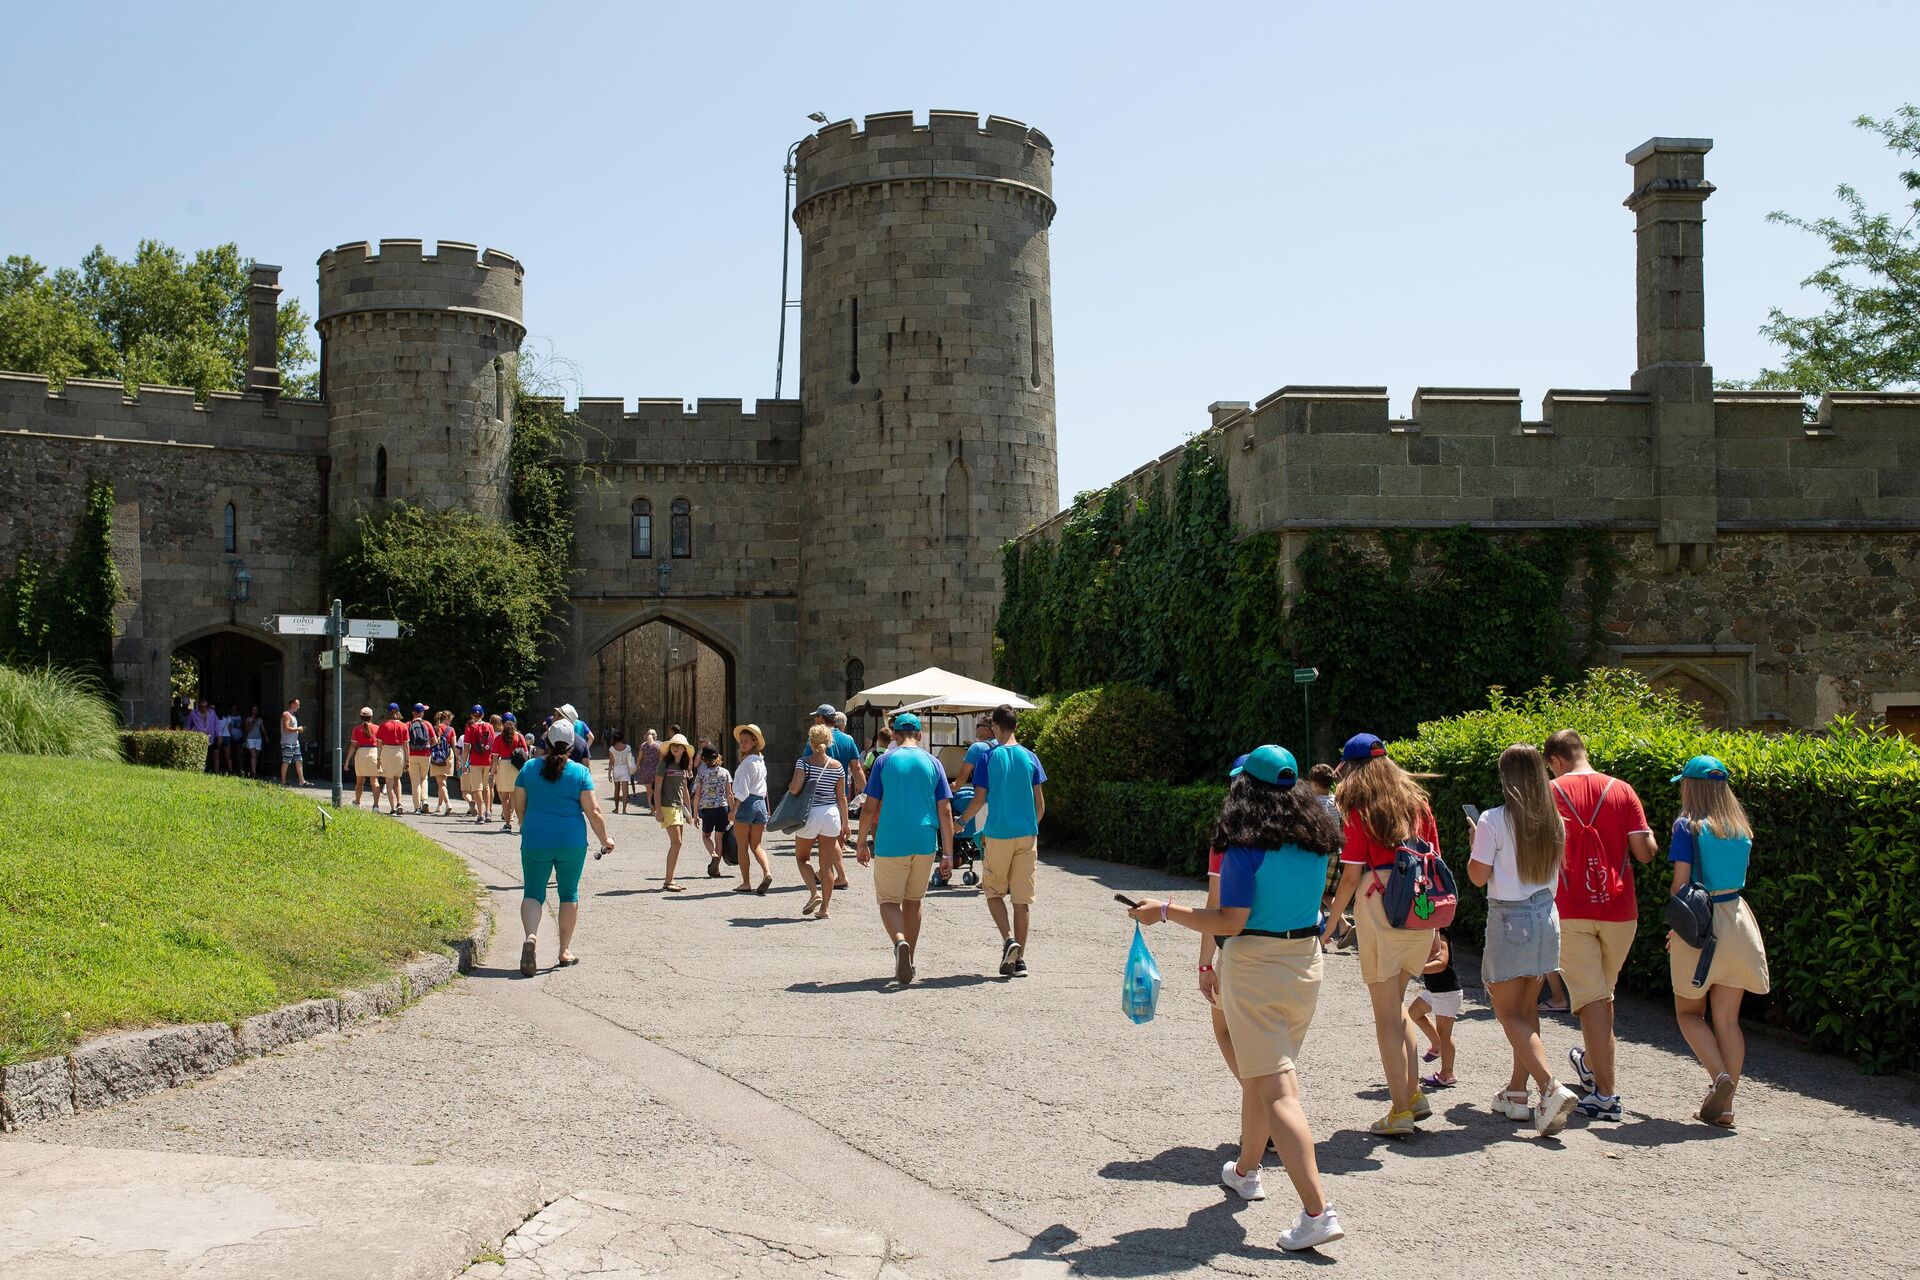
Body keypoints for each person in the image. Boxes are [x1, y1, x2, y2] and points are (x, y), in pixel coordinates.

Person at [1128, 745, 1346, 1253]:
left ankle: (1318, 1210)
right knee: (1263, 1072)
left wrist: (1163, 910)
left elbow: (1229, 921)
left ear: (1246, 786)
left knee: (1279, 1091)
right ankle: (1247, 1170)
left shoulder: (1246, 845)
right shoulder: (1316, 838)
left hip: (1256, 969)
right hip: (1304, 966)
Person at [1320, 733, 1440, 1137]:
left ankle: (1398, 1111)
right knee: (1399, 1005)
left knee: (1386, 1015)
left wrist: (1332, 922)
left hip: (1380, 906)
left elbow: (1351, 874)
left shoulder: (1358, 808)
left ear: (1350, 768)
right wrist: (1437, 929)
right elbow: (1434, 864)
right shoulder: (1418, 803)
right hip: (1421, 907)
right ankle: (1413, 1094)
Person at [1543, 728, 1657, 1123]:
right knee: (1601, 997)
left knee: (1593, 1000)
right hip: (1620, 909)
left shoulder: (1551, 793)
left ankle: (1606, 1097)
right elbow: (1644, 853)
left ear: (1556, 761)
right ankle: (1591, 1065)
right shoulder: (1622, 790)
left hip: (1571, 906)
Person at [1469, 744, 1580, 1136]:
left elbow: (1478, 876)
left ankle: (1550, 1086)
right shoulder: (1555, 821)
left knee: (1507, 1012)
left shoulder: (1492, 819)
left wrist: (1474, 845)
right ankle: (1518, 1093)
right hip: (1546, 915)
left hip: (1510, 916)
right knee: (1527, 1010)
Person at [1667, 755, 1769, 1128]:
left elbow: (1680, 885)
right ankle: (1725, 1107)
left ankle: (1718, 1078)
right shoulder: (1741, 829)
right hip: (1739, 922)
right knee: (1727, 1020)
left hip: (1703, 926)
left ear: (1691, 786)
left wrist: (1677, 926)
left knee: (1688, 1013)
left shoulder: (1686, 826)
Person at [512, 719, 615, 976]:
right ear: (572, 745)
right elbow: (594, 811)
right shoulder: (580, 772)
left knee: (533, 892)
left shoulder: (528, 768)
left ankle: (532, 937)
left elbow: (518, 804)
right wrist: (605, 840)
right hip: (571, 841)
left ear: (546, 742)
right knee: (569, 894)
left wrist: (526, 826)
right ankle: (564, 951)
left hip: (536, 838)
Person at [857, 712, 953, 986]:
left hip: (891, 840)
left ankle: (899, 942)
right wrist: (947, 853)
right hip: (924, 840)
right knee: (914, 900)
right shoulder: (933, 763)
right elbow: (945, 811)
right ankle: (909, 958)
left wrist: (861, 841)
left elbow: (870, 806)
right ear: (920, 735)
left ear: (896, 736)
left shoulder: (885, 761)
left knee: (889, 900)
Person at [959, 704, 1046, 977]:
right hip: (1026, 834)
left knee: (994, 892)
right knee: (1022, 899)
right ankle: (1020, 960)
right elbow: (1040, 804)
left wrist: (960, 822)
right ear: (1016, 726)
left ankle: (1009, 940)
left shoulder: (988, 757)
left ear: (995, 727)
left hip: (997, 834)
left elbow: (979, 798)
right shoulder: (1031, 757)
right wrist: (1031, 827)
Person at [789, 725, 850, 918]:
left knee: (802, 858)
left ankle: (814, 893)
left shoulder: (804, 762)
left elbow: (794, 789)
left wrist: (792, 784)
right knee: (826, 865)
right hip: (831, 814)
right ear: (829, 742)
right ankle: (825, 909)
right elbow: (841, 797)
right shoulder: (837, 766)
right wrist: (846, 823)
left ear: (811, 742)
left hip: (811, 813)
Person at [814, 704, 866, 889]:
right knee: (834, 838)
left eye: (816, 717)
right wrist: (866, 792)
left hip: (821, 796)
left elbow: (807, 764)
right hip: (840, 794)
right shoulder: (848, 739)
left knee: (827, 838)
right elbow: (857, 768)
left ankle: (838, 875)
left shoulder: (816, 739)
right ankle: (825, 873)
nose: (814, 720)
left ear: (821, 719)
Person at [1409, 929, 1460, 1091]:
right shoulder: (1426, 934)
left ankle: (1447, 1074)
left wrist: (1417, 968)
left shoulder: (1441, 935)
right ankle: (1437, 1045)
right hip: (1435, 992)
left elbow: (1441, 963)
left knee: (1445, 1034)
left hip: (1447, 992)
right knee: (1414, 1012)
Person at [730, 724, 774, 895]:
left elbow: (741, 791)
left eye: (746, 741)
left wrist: (733, 810)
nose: (742, 744)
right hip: (760, 804)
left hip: (746, 803)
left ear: (754, 742)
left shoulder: (746, 764)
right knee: (756, 845)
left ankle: (746, 882)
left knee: (742, 846)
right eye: (741, 741)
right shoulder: (761, 762)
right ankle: (767, 872)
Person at [655, 733, 694, 891]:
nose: (675, 748)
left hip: (678, 807)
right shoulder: (664, 764)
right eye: (673, 745)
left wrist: (689, 811)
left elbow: (684, 789)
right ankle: (668, 880)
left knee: (677, 844)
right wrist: (658, 811)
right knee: (677, 842)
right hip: (667, 806)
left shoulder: (683, 766)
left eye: (678, 746)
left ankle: (670, 880)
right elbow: (657, 788)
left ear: (684, 749)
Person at [694, 745, 733, 877]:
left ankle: (714, 855)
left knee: (706, 836)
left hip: (708, 808)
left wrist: (695, 814)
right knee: (719, 838)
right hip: (723, 807)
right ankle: (716, 870)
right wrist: (732, 811)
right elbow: (730, 794)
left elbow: (697, 795)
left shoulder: (701, 774)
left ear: (703, 759)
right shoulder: (725, 772)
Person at [494, 713, 528, 834]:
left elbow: (495, 758)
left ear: (502, 724)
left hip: (503, 766)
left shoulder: (498, 738)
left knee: (504, 798)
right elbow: (525, 753)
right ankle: (521, 823)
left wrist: (493, 771)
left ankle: (508, 824)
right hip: (516, 767)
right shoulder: (519, 737)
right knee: (517, 797)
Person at [462, 705, 496, 824]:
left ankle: (480, 815)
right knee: (487, 787)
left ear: (472, 715)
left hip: (475, 761)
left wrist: (464, 763)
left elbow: (466, 748)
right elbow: (494, 745)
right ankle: (488, 812)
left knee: (477, 789)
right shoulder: (490, 726)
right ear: (482, 715)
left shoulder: (470, 728)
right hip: (488, 760)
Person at [374, 704, 409, 815]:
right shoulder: (404, 726)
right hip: (399, 752)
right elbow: (406, 745)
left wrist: (378, 758)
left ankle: (393, 808)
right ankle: (400, 803)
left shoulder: (383, 725)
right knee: (397, 780)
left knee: (388, 781)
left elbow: (379, 745)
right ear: (398, 712)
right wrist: (407, 760)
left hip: (387, 751)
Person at [403, 704, 434, 813]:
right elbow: (434, 741)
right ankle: (424, 800)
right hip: (425, 754)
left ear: (413, 713)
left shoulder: (408, 724)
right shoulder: (427, 724)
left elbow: (405, 742)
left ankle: (417, 808)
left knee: (415, 781)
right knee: (424, 778)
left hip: (412, 755)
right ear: (422, 713)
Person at [349, 708, 381, 807]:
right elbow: (380, 745)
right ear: (371, 716)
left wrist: (347, 761)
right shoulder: (377, 728)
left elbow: (353, 746)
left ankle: (357, 802)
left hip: (361, 754)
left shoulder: (356, 729)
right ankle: (376, 806)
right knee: (374, 781)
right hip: (374, 753)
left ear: (360, 717)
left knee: (359, 782)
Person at [429, 709, 457, 814]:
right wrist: (458, 759)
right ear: (446, 719)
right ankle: (439, 806)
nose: (450, 722)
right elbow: (454, 746)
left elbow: (431, 742)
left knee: (441, 783)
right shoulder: (451, 729)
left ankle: (447, 804)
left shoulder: (434, 728)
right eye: (450, 720)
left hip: (436, 756)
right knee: (443, 782)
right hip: (448, 755)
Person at [278, 698, 305, 786]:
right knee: (286, 760)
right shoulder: (286, 714)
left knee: (299, 760)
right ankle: (283, 782)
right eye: (298, 704)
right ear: (292, 704)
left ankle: (302, 781)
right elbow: (286, 728)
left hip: (295, 742)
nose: (299, 707)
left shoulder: (293, 716)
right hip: (287, 742)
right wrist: (298, 729)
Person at [635, 728, 661, 813]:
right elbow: (661, 759)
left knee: (649, 792)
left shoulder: (643, 746)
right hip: (656, 771)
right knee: (657, 790)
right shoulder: (659, 746)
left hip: (646, 770)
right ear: (655, 736)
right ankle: (657, 808)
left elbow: (639, 758)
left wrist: (638, 767)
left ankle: (652, 809)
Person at [608, 732, 635, 814]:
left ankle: (616, 808)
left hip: (616, 769)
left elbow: (611, 762)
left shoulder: (611, 749)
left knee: (617, 789)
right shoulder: (628, 747)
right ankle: (624, 810)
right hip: (625, 769)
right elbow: (630, 759)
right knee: (625, 791)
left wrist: (609, 772)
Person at [242, 704, 264, 778]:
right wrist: (252, 723)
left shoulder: (260, 720)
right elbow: (246, 730)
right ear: (251, 711)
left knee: (256, 756)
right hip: (250, 738)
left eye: (256, 710)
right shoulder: (248, 719)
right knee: (253, 755)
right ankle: (254, 773)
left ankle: (252, 770)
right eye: (253, 710)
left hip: (258, 739)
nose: (255, 711)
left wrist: (266, 737)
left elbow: (263, 729)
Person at [222, 705, 243, 775]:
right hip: (230, 737)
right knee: (229, 754)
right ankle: (230, 769)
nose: (234, 709)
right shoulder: (228, 717)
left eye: (235, 708)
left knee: (239, 754)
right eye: (233, 708)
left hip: (239, 737)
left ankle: (240, 769)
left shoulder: (240, 717)